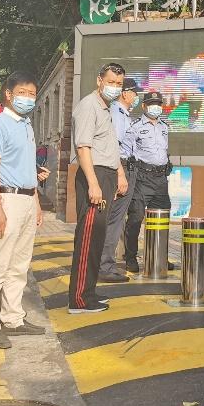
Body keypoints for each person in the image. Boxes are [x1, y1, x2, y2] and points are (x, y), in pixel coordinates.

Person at [0, 72, 51, 348]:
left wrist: (36, 202)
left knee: (19, 265)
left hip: (27, 200)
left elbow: (26, 168)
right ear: (8, 94)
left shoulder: (26, 125)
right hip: (6, 199)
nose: (28, 99)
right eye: (22, 93)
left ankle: (13, 318)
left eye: (32, 94)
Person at [69, 63, 129, 313]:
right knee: (88, 238)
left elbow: (110, 147)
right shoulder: (89, 106)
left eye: (119, 84)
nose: (115, 87)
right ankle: (79, 300)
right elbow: (83, 147)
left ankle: (89, 292)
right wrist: (93, 184)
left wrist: (119, 174)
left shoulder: (107, 108)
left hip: (106, 175)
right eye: (111, 82)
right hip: (93, 176)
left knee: (97, 239)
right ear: (99, 80)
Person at [122, 91, 173, 273]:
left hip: (161, 179)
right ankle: (130, 257)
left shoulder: (164, 127)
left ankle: (159, 257)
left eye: (158, 104)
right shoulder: (135, 127)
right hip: (142, 178)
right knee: (136, 218)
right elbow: (125, 152)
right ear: (144, 106)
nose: (155, 107)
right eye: (152, 104)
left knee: (161, 220)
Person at [100, 78, 141, 282]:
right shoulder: (117, 112)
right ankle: (105, 266)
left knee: (116, 220)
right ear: (125, 93)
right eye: (134, 93)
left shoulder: (124, 113)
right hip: (120, 167)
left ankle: (107, 264)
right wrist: (120, 174)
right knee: (114, 220)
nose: (136, 97)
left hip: (127, 167)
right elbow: (114, 145)